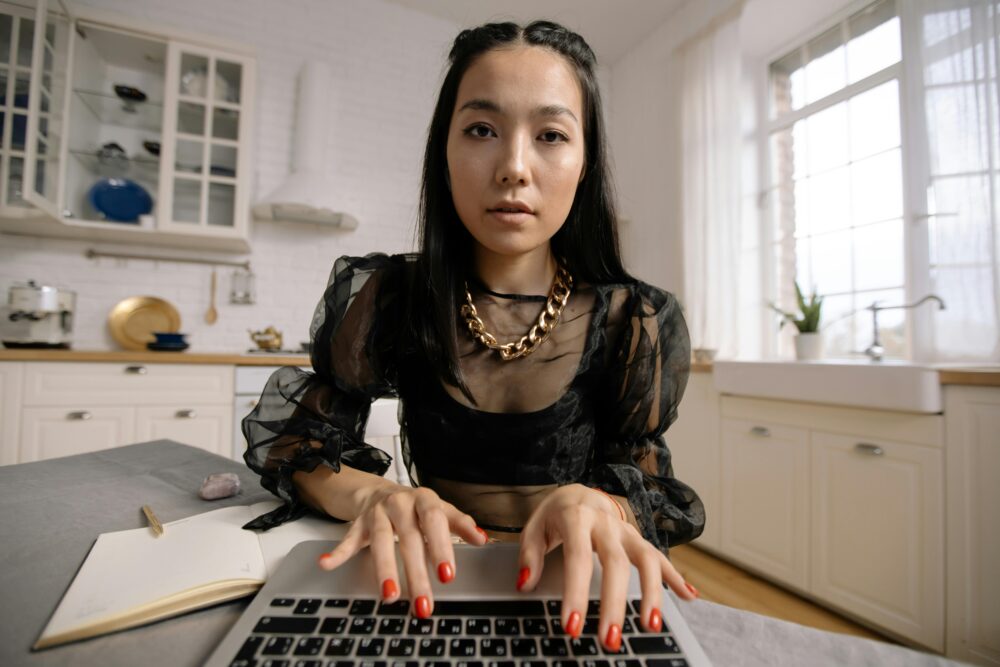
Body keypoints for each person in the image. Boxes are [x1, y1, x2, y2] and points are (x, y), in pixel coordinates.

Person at [243, 19, 705, 654]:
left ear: (585, 161)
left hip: (574, 588)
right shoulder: (390, 296)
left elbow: (652, 483)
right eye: (482, 130)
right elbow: (297, 442)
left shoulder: (636, 319)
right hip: (426, 576)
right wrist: (374, 495)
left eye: (551, 135)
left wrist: (606, 506)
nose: (514, 168)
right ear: (445, 150)